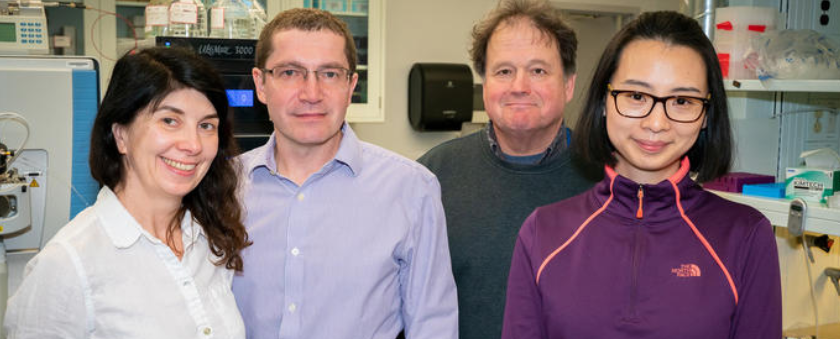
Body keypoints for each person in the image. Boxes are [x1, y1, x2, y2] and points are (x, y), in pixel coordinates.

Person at [502, 11, 782, 339]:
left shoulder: (746, 236)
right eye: (636, 96)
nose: (656, 123)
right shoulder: (543, 233)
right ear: (604, 101)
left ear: (706, 114)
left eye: (681, 100)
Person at [231, 8, 457, 339]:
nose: (311, 93)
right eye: (291, 72)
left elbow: (433, 325)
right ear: (261, 84)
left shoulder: (411, 189)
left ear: (351, 86)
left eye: (330, 74)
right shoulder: (221, 187)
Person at [4, 47, 250, 338]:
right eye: (169, 120)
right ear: (121, 135)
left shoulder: (209, 240)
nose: (193, 145)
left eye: (206, 125)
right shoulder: (68, 265)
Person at [417, 1, 599, 337]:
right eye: (504, 71)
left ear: (569, 85)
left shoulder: (607, 180)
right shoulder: (431, 176)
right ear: (485, 84)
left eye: (538, 71)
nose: (519, 86)